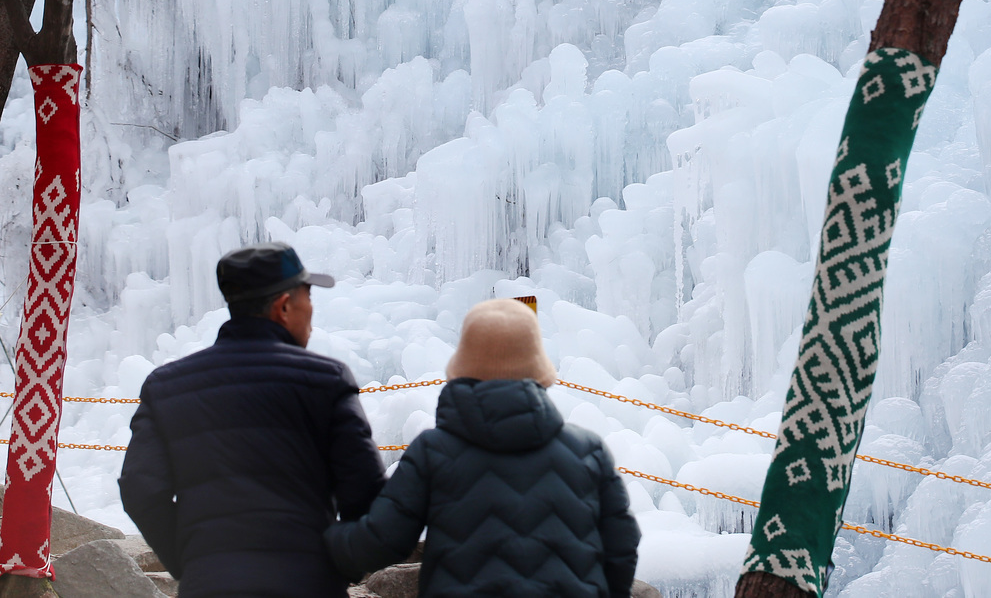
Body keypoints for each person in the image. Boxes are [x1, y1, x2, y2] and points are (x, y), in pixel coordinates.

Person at [119, 242, 386, 598]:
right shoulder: (327, 380)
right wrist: (341, 565)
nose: (311, 311)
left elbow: (140, 491)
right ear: (285, 306)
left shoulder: (165, 386)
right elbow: (366, 492)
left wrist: (192, 564)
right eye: (309, 298)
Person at [325, 298, 640, 597]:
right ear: (538, 370)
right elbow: (622, 541)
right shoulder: (588, 451)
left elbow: (382, 540)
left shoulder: (434, 451)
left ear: (463, 364)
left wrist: (319, 542)